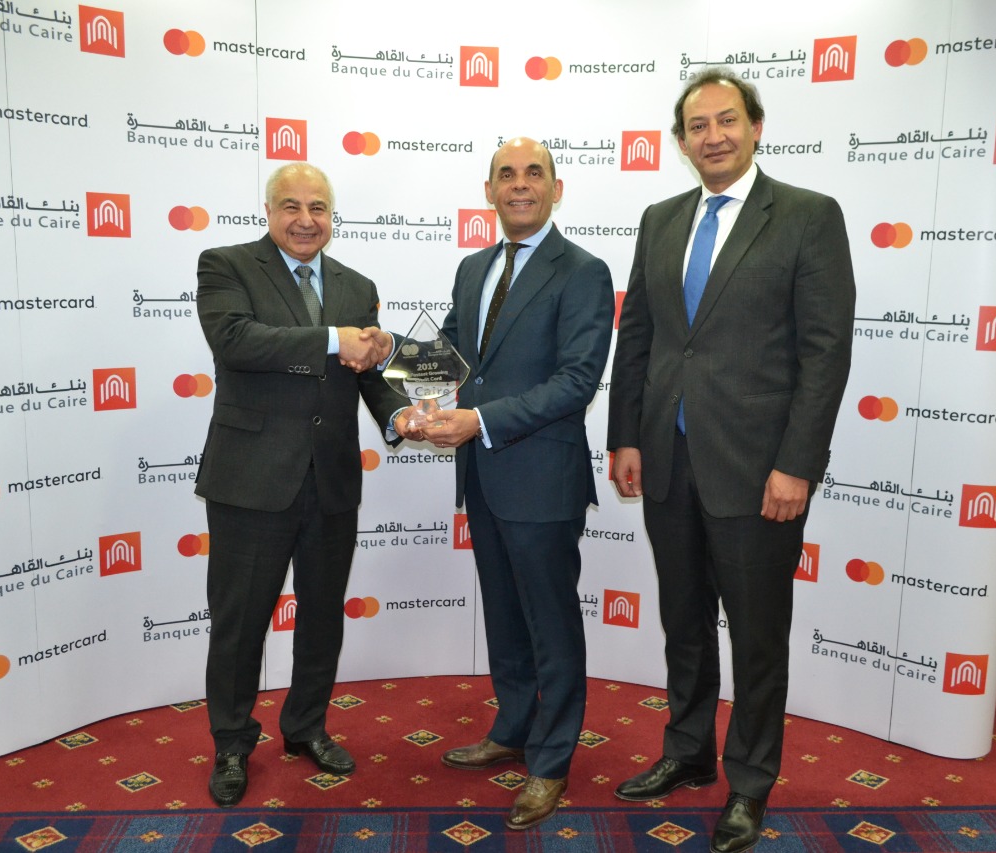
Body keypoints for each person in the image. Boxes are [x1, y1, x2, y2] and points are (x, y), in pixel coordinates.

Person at [607, 70, 855, 853]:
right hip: (667, 461)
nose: (712, 135)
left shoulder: (808, 216)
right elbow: (639, 337)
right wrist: (625, 436)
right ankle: (687, 751)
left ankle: (749, 780)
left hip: (758, 471)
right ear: (681, 141)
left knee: (755, 635)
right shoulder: (660, 219)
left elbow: (824, 353)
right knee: (683, 622)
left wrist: (797, 463)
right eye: (697, 125)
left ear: (755, 126)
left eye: (726, 120)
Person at [194, 163, 406, 808]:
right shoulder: (226, 265)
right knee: (240, 623)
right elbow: (236, 341)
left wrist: (400, 417)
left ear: (332, 216)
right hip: (251, 480)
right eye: (292, 206)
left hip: (331, 480)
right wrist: (335, 339)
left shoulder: (357, 286)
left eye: (319, 207)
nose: (306, 220)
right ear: (268, 211)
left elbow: (369, 376)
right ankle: (232, 743)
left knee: (321, 616)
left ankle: (306, 726)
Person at [418, 137, 614, 830]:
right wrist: (395, 367)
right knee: (503, 614)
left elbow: (576, 381)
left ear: (556, 189)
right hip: (483, 475)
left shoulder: (583, 271)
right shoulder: (473, 268)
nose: (520, 185)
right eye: (507, 174)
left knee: (550, 625)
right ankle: (512, 728)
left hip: (542, 478)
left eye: (535, 173)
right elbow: (447, 354)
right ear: (489, 190)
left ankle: (551, 760)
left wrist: (478, 420)